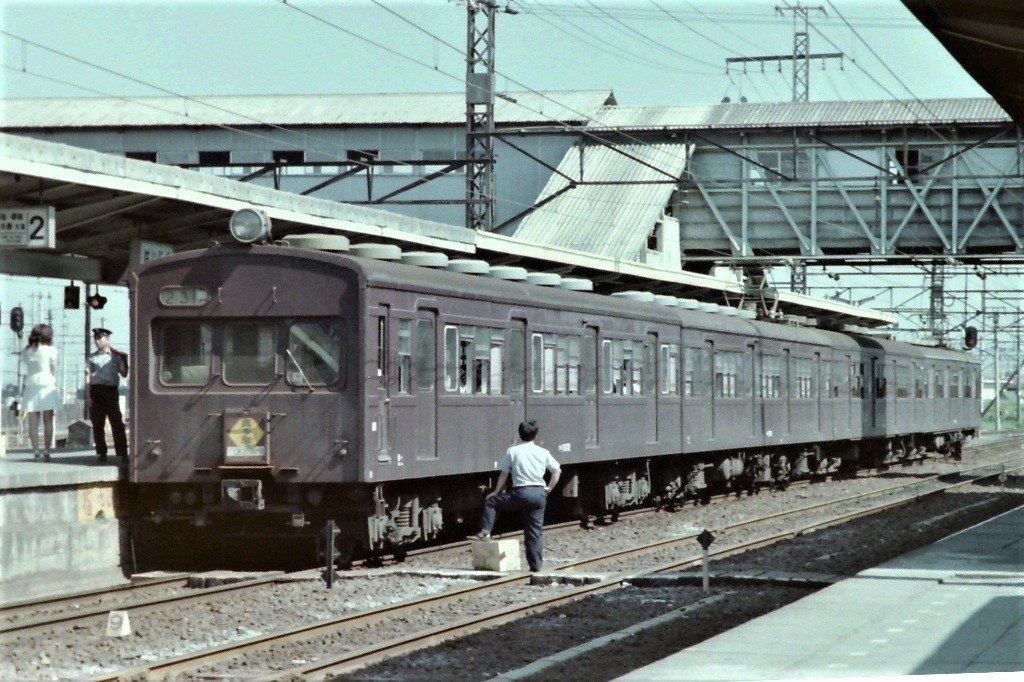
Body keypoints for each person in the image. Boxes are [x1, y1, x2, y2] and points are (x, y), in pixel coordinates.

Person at [473, 419, 561, 572]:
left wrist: (496, 492)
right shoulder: (543, 452)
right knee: (534, 531)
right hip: (539, 494)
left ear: (519, 434)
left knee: (492, 502)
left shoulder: (512, 451)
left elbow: (504, 474)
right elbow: (557, 470)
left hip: (520, 493)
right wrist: (549, 488)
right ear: (535, 435)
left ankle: (485, 531)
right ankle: (536, 566)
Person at [86, 327, 129, 463]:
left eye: (100, 338)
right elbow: (88, 378)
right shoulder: (92, 358)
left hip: (110, 391)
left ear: (107, 338)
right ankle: (101, 452)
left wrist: (122, 362)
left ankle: (122, 453)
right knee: (97, 424)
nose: (97, 341)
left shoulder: (116, 356)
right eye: (96, 338)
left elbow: (124, 373)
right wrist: (88, 396)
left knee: (116, 423)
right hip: (96, 391)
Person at [20, 323, 61, 461]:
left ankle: (36, 450)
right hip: (47, 385)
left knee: (33, 421)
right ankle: (47, 450)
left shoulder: (26, 351)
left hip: (31, 386)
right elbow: (53, 367)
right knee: (48, 420)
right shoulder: (50, 350)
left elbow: (25, 363)